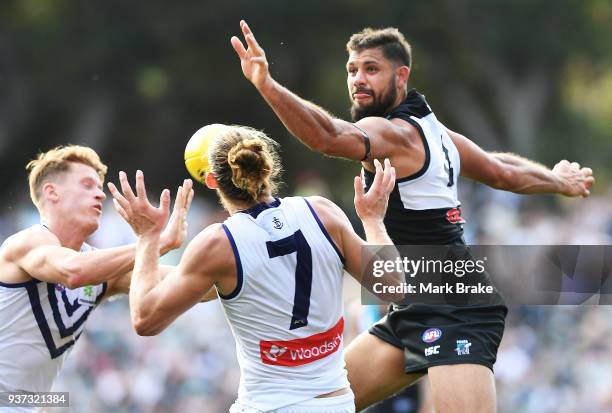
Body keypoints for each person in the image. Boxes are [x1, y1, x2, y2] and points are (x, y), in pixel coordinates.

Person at [230, 21, 595, 412]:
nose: (358, 79)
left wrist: (267, 86)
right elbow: (502, 170)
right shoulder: (435, 133)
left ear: (401, 76)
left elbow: (329, 137)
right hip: (416, 306)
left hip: (458, 309)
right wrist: (556, 180)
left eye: (372, 69)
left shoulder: (394, 133)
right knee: (311, 403)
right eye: (352, 70)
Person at [108, 125, 399, 413]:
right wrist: (373, 220)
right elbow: (393, 287)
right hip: (336, 404)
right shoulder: (323, 212)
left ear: (211, 181)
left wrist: (147, 238)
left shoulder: (217, 244)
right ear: (268, 168)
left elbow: (145, 318)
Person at [0, 145, 192, 412]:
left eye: (99, 186)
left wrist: (233, 262)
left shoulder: (101, 268)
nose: (100, 194)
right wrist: (156, 242)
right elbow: (74, 272)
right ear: (52, 192)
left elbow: (189, 281)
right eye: (88, 185)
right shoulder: (27, 241)